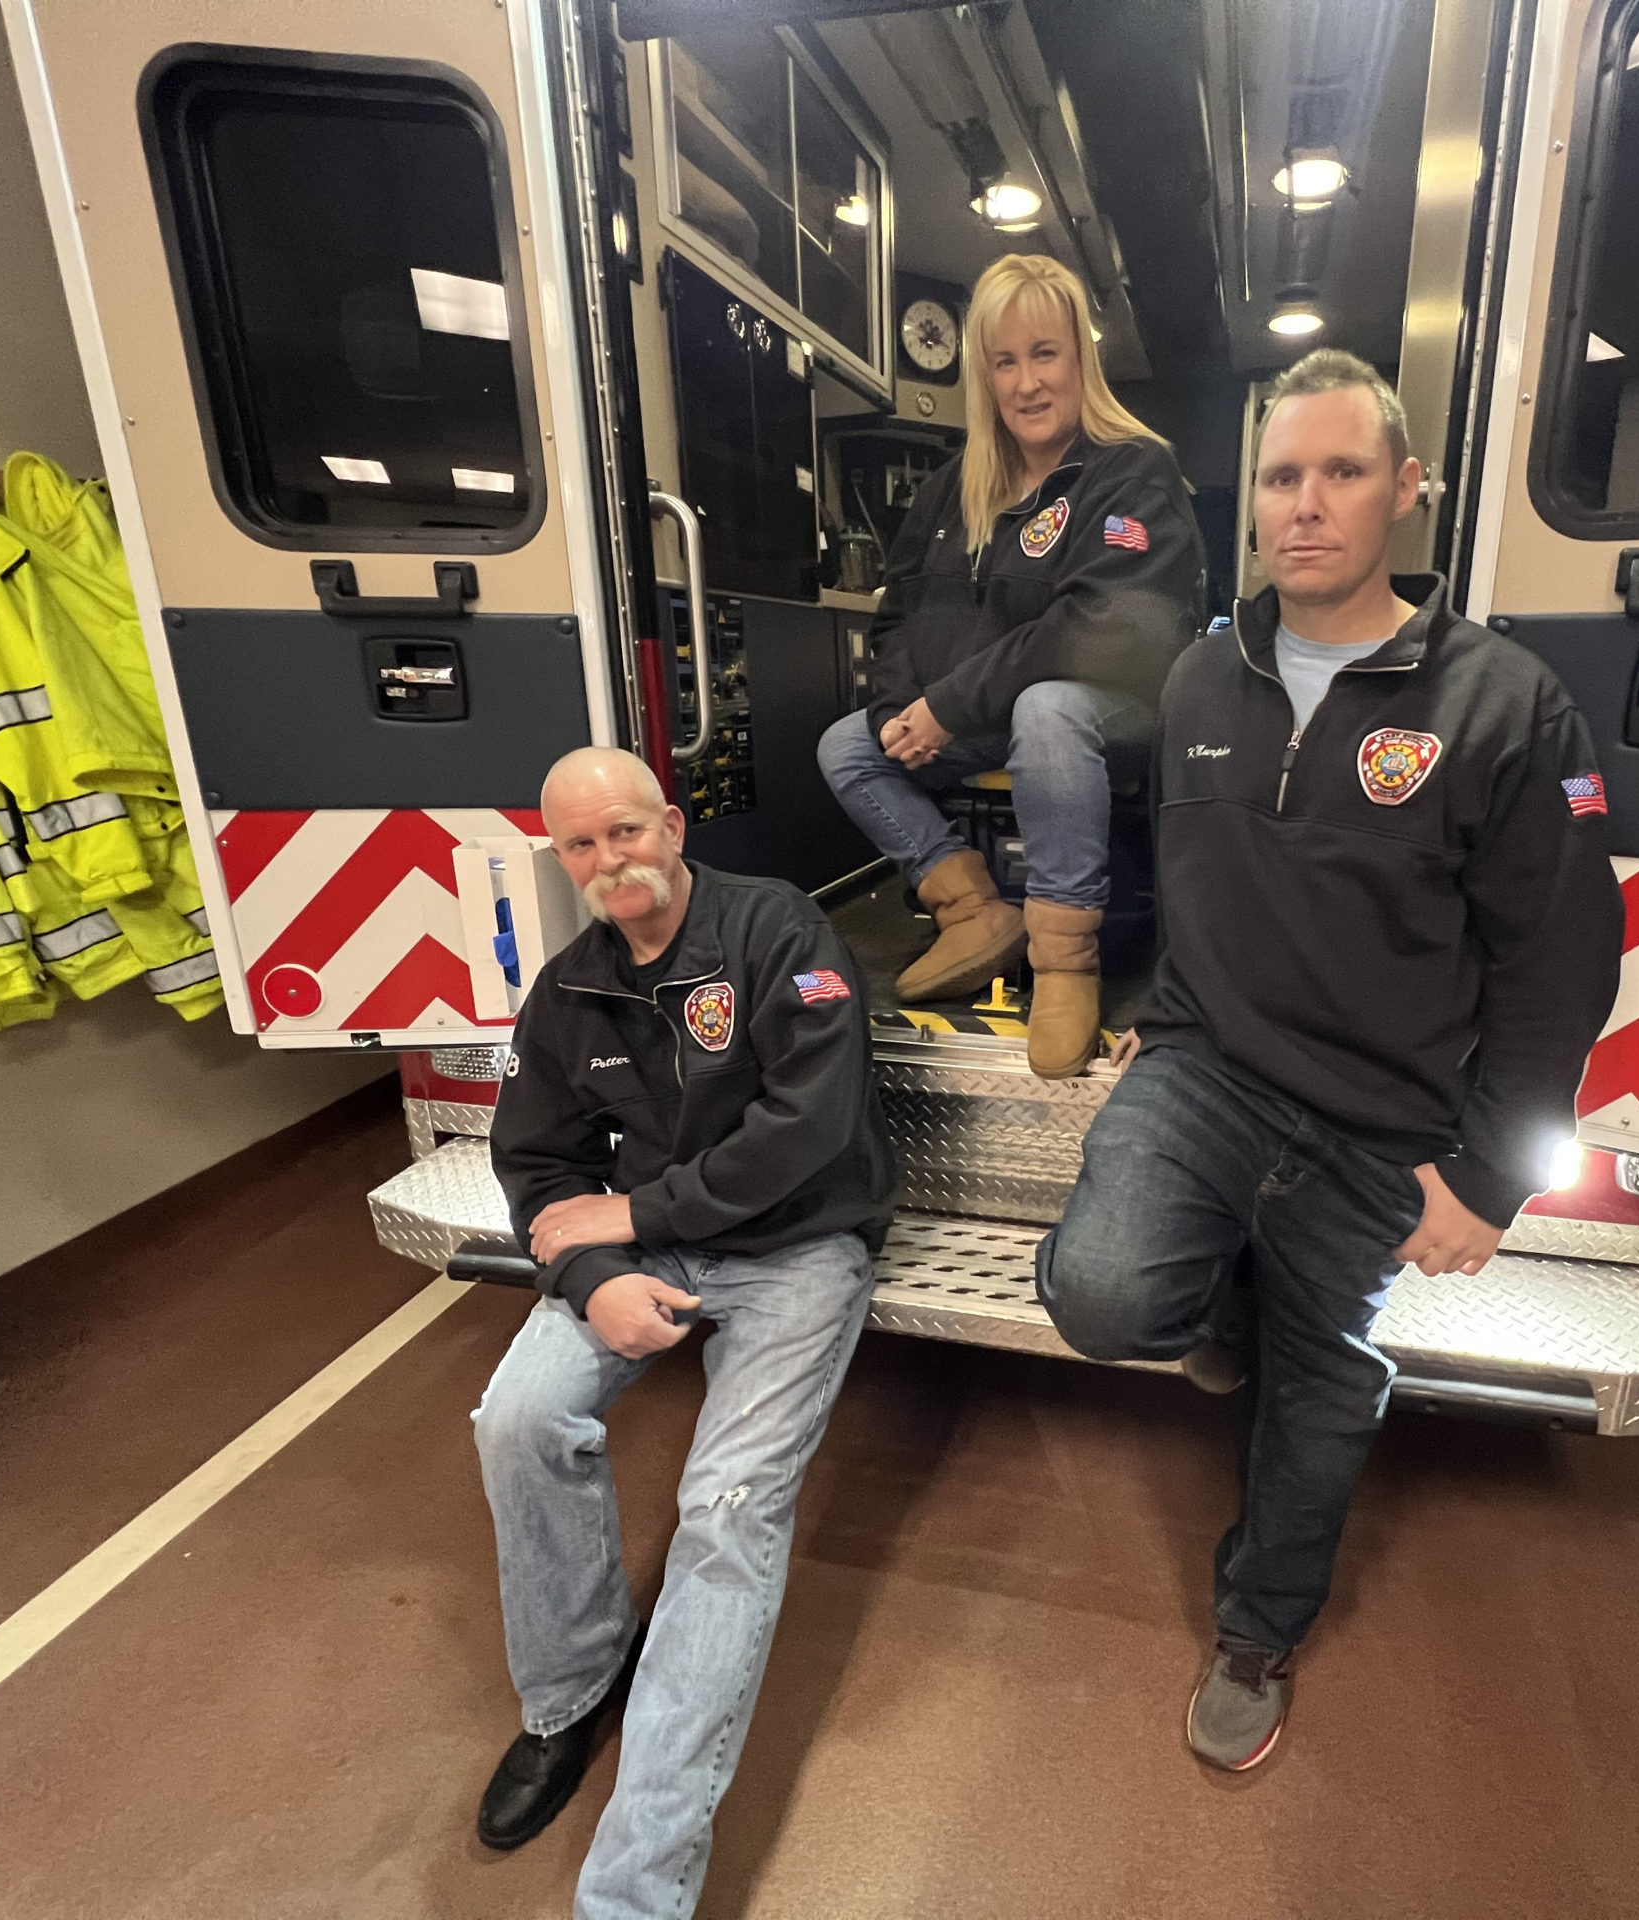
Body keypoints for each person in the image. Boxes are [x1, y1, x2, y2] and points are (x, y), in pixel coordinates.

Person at [1035, 350, 1624, 1771]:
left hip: (1384, 1119)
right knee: (1105, 1295)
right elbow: (1189, 879)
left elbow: (1562, 962)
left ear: (1405, 491)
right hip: (1208, 1069)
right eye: (1285, 477)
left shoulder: (1505, 705)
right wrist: (1155, 1015)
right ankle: (1220, 1287)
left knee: (1320, 1388)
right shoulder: (1196, 678)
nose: (1308, 505)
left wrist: (1488, 1176)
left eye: (1343, 472)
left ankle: (1258, 1627)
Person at [471, 746, 895, 1918]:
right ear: (559, 859)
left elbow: (809, 1126)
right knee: (515, 1419)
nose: (611, 863)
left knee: (723, 1513)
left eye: (626, 833)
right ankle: (567, 1699)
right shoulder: (569, 990)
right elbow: (538, 1167)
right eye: (581, 846)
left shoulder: (780, 935)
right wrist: (597, 1275)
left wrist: (639, 1211)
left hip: (804, 1243)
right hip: (647, 1249)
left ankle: (635, 1896)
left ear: (669, 826)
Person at [815, 252, 1202, 1078]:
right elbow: (897, 618)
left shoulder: (1133, 470)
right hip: (988, 714)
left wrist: (949, 706)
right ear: (984, 376)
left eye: (1045, 354)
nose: (1027, 382)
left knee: (1050, 710)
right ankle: (972, 910)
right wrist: (896, 713)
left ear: (1079, 360)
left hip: (1115, 718)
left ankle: (1065, 961)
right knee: (848, 745)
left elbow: (1103, 627)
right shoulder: (954, 490)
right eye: (1005, 361)